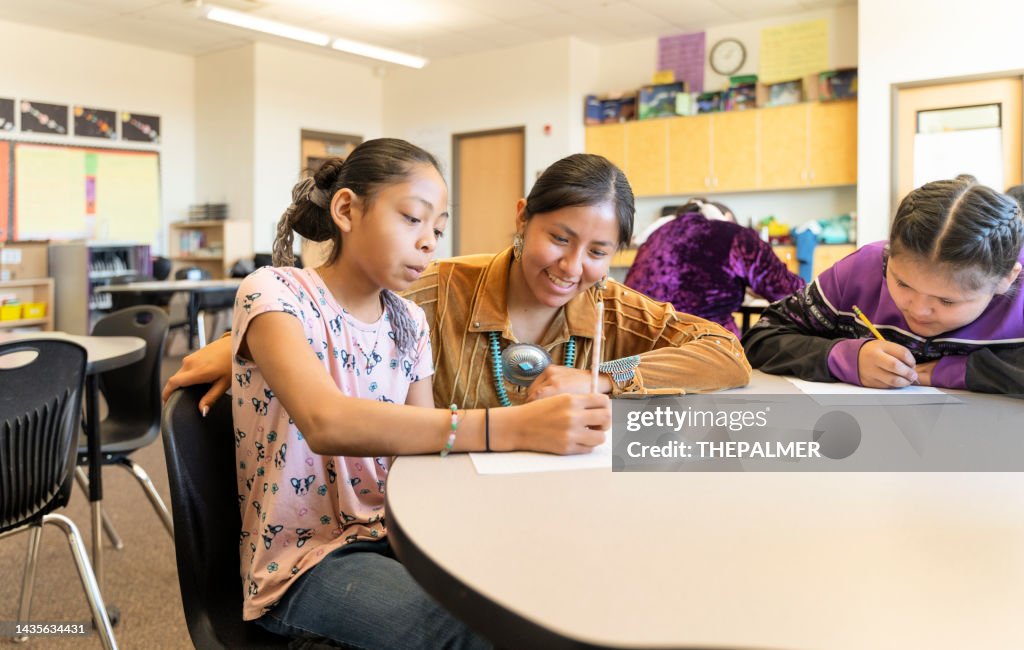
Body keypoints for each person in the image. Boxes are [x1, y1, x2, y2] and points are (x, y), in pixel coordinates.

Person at [223, 139, 611, 648]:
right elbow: (327, 421)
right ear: (346, 210)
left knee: (542, 593)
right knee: (477, 632)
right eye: (413, 219)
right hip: (306, 563)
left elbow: (424, 448)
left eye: (438, 228)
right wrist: (507, 427)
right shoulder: (274, 292)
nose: (429, 241)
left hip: (400, 535)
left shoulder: (408, 320)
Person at [163, 154, 751, 414]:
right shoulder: (439, 286)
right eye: (560, 238)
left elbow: (726, 355)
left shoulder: (608, 306)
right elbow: (325, 306)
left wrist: (602, 378)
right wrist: (241, 345)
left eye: (599, 251)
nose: (572, 266)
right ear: (522, 218)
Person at [743, 177, 1024, 394]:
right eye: (902, 283)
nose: (919, 310)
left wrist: (955, 371)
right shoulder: (861, 269)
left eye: (947, 301)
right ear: (888, 254)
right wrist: (844, 358)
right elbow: (761, 338)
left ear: (1006, 279)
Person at [624, 198, 805, 336]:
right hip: (706, 346)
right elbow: (792, 292)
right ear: (727, 219)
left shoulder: (656, 236)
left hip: (640, 345)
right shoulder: (736, 235)